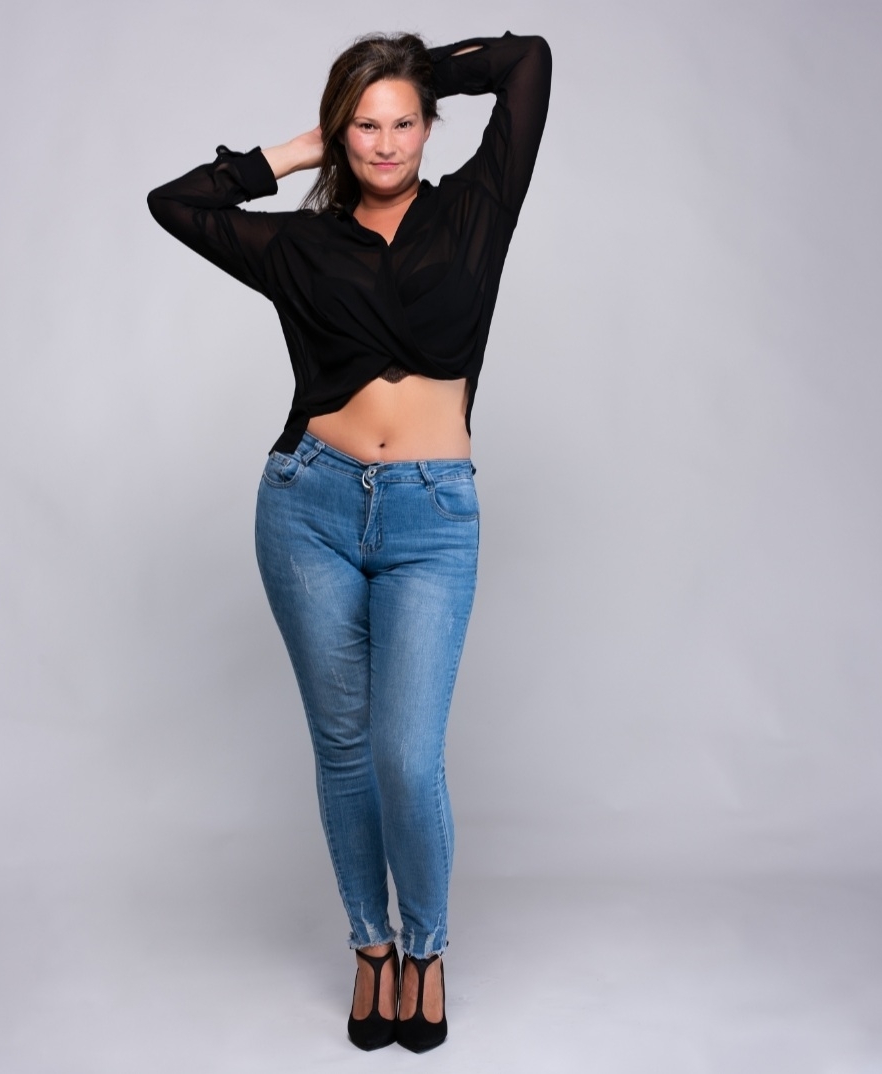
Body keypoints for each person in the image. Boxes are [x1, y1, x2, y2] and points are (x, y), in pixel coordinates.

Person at [147, 30, 551, 1052]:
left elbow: (528, 61)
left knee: (407, 757)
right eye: (364, 125)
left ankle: (427, 948)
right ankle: (371, 946)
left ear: (428, 127)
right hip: (308, 507)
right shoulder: (299, 246)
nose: (384, 142)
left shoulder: (476, 208)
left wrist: (412, 63)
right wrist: (296, 151)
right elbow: (175, 204)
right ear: (342, 132)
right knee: (342, 748)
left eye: (403, 121)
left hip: (431, 517)